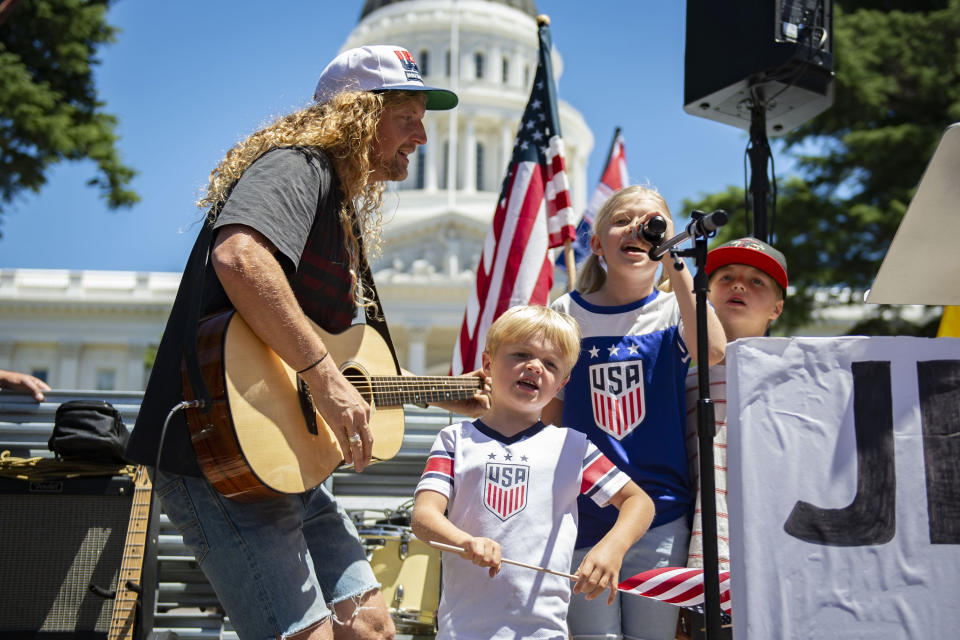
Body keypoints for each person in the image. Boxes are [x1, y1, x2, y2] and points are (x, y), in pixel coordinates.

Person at [125, 45, 486, 640]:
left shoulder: (337, 209)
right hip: (219, 458)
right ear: (360, 114)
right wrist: (324, 377)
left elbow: (342, 363)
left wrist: (440, 391)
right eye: (408, 116)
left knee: (370, 627)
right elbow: (239, 257)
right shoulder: (298, 165)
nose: (422, 136)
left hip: (288, 467)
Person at [542, 185, 726, 640]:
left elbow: (715, 349)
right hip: (585, 511)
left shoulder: (672, 310)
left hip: (661, 512)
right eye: (622, 220)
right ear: (598, 243)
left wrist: (673, 258)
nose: (636, 230)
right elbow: (550, 415)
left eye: (650, 222)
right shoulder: (565, 314)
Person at [411, 305, 656, 640]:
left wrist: (611, 548)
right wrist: (465, 541)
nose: (534, 366)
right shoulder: (454, 440)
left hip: (544, 632)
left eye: (551, 363)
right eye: (521, 354)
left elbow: (638, 502)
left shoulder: (573, 448)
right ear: (487, 364)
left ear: (562, 384)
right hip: (462, 631)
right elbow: (424, 518)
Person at [680, 237, 788, 640]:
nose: (739, 286)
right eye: (725, 277)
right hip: (699, 564)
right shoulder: (677, 375)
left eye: (757, 281)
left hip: (776, 562)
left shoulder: (803, 375)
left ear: (777, 307)